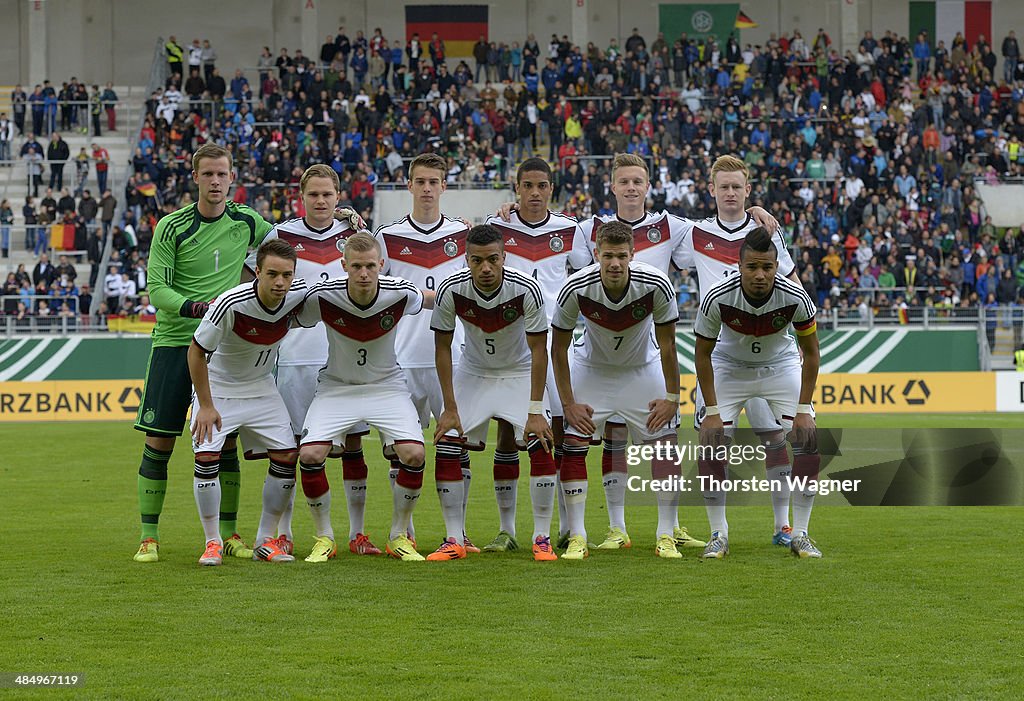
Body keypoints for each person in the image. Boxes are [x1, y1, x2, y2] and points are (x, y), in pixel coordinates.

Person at [562, 153, 774, 551]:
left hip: (646, 355)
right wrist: (507, 212)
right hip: (599, 351)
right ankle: (614, 527)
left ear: (648, 186)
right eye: (623, 181)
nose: (630, 188)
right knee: (611, 438)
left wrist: (754, 209)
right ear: (612, 186)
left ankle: (670, 526)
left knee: (664, 437)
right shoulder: (587, 229)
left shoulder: (672, 227)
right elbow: (551, 247)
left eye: (637, 181)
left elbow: (726, 228)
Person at [132, 143, 273, 564]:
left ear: (232, 178)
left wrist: (340, 219)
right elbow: (157, 289)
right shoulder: (171, 227)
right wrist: (196, 308)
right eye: (208, 174)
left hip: (225, 347)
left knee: (223, 442)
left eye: (222, 174)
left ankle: (229, 534)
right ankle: (148, 537)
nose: (215, 181)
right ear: (195, 177)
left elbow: (288, 246)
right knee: (160, 442)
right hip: (176, 341)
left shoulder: (247, 221)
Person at [245, 164, 384, 557]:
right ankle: (285, 532)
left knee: (353, 445)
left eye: (327, 194)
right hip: (295, 356)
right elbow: (256, 283)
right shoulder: (282, 235)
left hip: (345, 356)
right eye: (313, 195)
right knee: (291, 448)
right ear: (301, 196)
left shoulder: (356, 236)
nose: (321, 201)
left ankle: (357, 534)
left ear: (338, 196)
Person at [681, 155, 804, 548]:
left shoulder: (767, 232)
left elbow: (791, 282)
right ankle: (719, 532)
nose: (730, 193)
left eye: (738, 187)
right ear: (711, 189)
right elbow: (640, 233)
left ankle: (784, 526)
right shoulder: (693, 234)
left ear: (748, 190)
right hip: (721, 355)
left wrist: (799, 342)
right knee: (714, 441)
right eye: (724, 187)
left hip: (770, 351)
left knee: (775, 440)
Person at [551, 221, 684, 560]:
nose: (614, 263)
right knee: (574, 445)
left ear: (632, 255)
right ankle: (579, 535)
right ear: (596, 254)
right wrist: (568, 403)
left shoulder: (657, 284)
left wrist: (672, 398)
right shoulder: (575, 288)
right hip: (592, 370)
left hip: (643, 369)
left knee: (665, 447)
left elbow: (669, 346)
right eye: (607, 255)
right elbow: (558, 348)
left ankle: (665, 534)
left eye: (621, 256)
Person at [295, 232, 428, 562]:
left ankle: (399, 534)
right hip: (337, 387)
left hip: (387, 387)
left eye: (370, 266)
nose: (364, 273)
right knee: (310, 456)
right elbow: (289, 312)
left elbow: (432, 297)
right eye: (357, 266)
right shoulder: (322, 296)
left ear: (381, 264)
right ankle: (324, 537)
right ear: (344, 266)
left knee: (413, 454)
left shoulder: (400, 292)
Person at [430, 224, 557, 561]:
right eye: (476, 261)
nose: (485, 268)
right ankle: (454, 538)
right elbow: (442, 348)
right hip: (474, 372)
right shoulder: (450, 289)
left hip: (517, 372)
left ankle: (541, 537)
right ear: (466, 260)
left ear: (504, 257)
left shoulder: (526, 287)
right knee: (447, 439)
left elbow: (539, 350)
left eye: (492, 260)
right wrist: (449, 407)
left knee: (540, 439)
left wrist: (534, 408)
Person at [693, 227, 822, 559]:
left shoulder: (796, 297)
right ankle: (718, 534)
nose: (760, 275)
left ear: (777, 265)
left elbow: (811, 353)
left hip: (779, 365)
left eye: (767, 267)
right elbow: (703, 354)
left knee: (808, 440)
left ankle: (801, 534)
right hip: (728, 366)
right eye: (752, 267)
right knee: (711, 445)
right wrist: (711, 412)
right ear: (739, 265)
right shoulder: (717, 297)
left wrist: (804, 407)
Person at [376, 153, 476, 550]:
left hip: (452, 357)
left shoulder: (464, 234)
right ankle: (405, 529)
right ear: (409, 185)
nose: (428, 188)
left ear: (444, 186)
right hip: (401, 356)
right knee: (401, 450)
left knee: (456, 445)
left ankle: (459, 531)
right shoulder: (388, 236)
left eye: (435, 181)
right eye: (421, 181)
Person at [187, 239, 307, 565]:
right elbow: (196, 352)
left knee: (287, 456)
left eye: (287, 275)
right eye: (272, 274)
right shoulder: (231, 303)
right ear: (257, 272)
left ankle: (265, 540)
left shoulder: (297, 297)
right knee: (207, 458)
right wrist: (206, 405)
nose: (280, 282)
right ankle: (212, 542)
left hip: (262, 388)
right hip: (219, 389)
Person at [484, 158, 581, 550]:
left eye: (542, 185)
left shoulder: (570, 230)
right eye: (528, 186)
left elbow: (584, 277)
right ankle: (507, 530)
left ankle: (559, 525)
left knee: (556, 433)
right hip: (512, 348)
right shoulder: (499, 229)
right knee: (508, 433)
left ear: (551, 188)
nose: (535, 192)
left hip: (556, 347)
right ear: (517, 188)